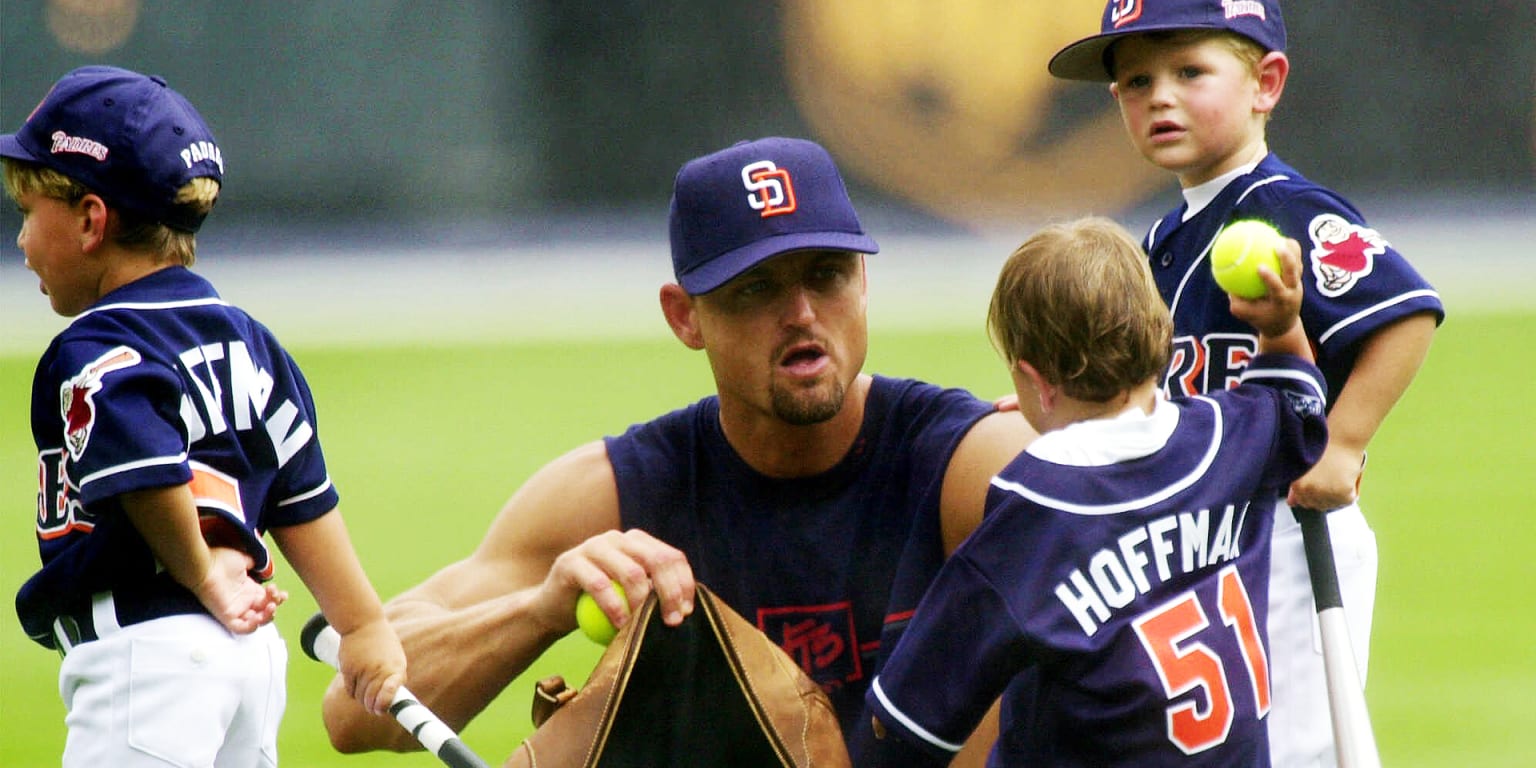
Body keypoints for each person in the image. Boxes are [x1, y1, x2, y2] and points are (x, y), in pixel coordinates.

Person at [320, 136, 1033, 762]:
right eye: (756, 287)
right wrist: (540, 611)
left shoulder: (971, 466)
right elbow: (353, 713)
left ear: (864, 283)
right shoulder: (618, 496)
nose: (802, 314)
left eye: (826, 274)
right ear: (684, 316)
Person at [1046, 3, 1445, 765]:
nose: (1159, 96)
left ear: (1266, 83)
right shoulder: (1165, 240)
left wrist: (1344, 444)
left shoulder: (1286, 208)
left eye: (1189, 72)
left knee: (1294, 747)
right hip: (1204, 543)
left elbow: (1407, 315)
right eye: (1136, 82)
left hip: (1296, 538)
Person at [3, 65, 405, 767]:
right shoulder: (248, 339)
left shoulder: (97, 346)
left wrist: (200, 572)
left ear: (92, 220)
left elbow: (147, 475)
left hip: (151, 659)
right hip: (250, 660)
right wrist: (363, 624)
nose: (22, 242)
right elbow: (300, 494)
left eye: (29, 215)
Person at [861, 216, 1328, 766]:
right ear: (1163, 336)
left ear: (1035, 381)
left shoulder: (1035, 510)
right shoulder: (1231, 437)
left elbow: (910, 717)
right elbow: (1298, 401)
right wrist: (1281, 327)